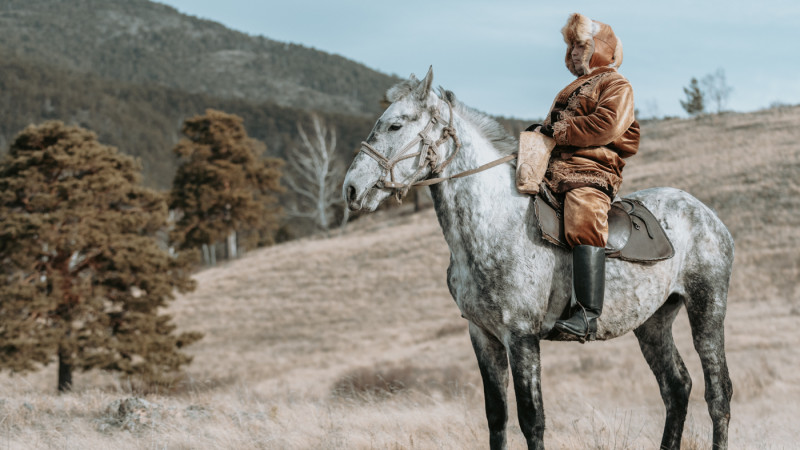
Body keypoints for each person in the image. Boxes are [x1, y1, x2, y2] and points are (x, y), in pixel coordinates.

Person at [534, 13, 640, 340]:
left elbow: (606, 125)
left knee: (583, 210)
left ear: (600, 48)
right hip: (556, 168)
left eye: (581, 45)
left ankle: (587, 313)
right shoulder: (572, 87)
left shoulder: (616, 84)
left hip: (592, 169)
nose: (574, 52)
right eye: (571, 47)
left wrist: (560, 130)